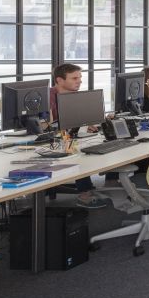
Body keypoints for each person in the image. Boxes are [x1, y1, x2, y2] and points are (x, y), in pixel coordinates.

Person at [49, 63, 107, 209]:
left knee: (109, 141)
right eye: (74, 78)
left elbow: (77, 121)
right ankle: (85, 193)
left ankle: (112, 182)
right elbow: (49, 127)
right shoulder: (47, 98)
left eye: (80, 77)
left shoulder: (76, 96)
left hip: (73, 137)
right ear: (59, 80)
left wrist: (89, 124)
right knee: (77, 151)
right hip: (53, 142)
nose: (79, 81)